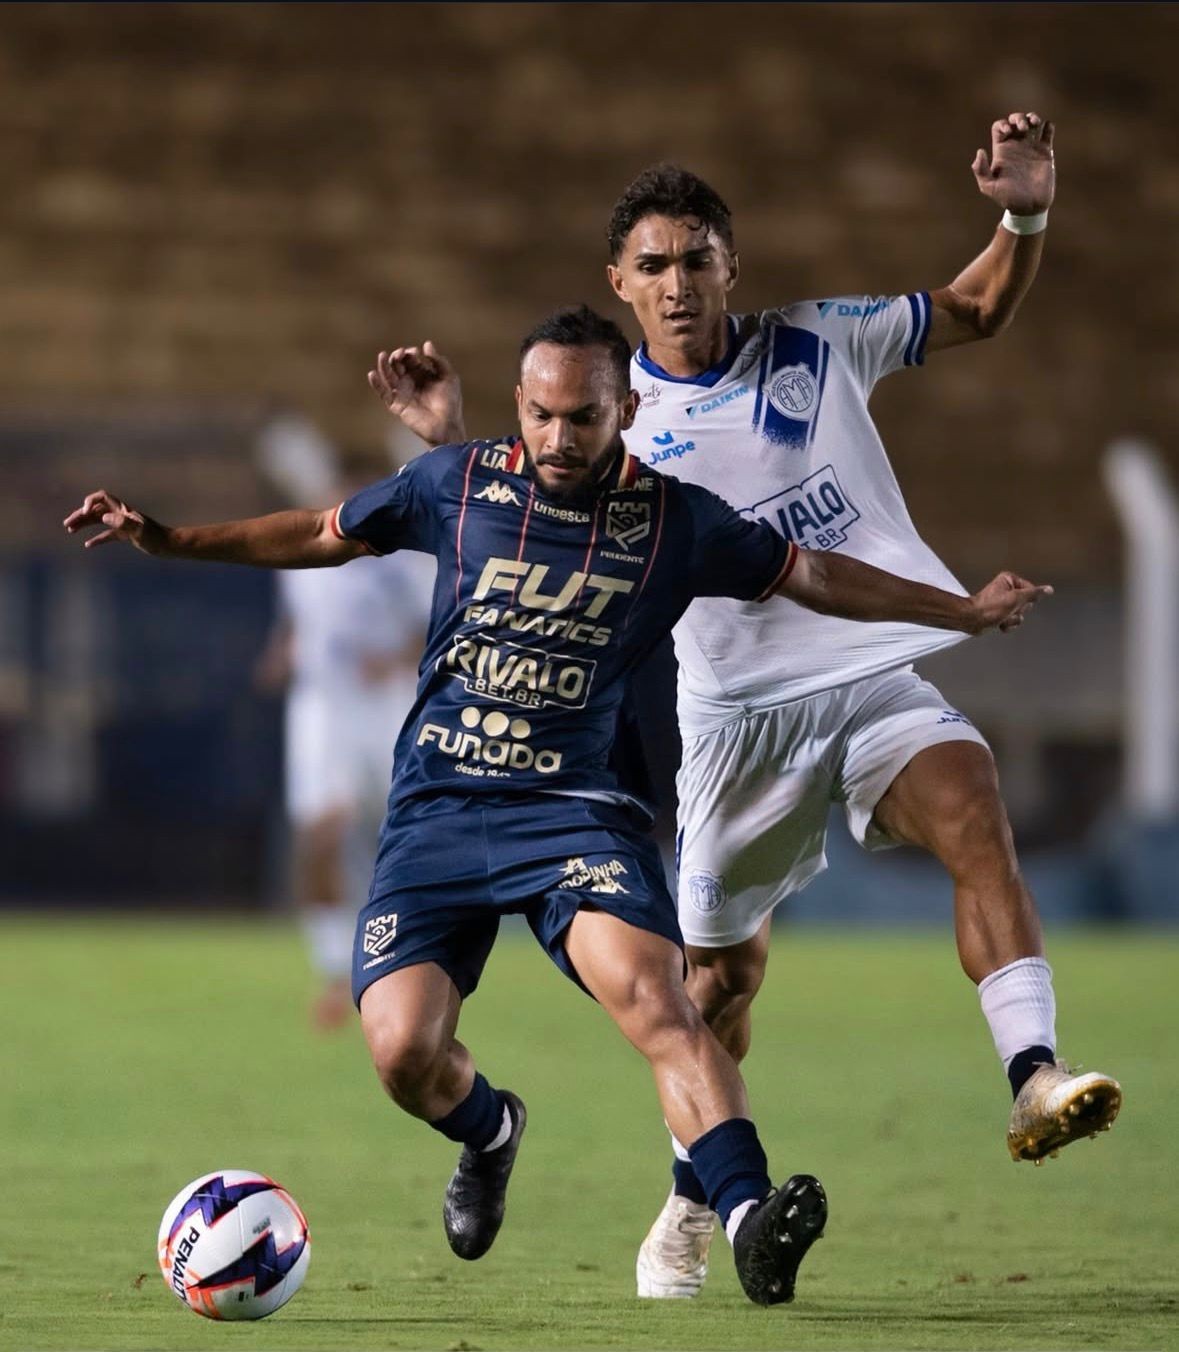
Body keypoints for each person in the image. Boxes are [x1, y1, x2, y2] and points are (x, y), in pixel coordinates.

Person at [66, 306, 1049, 1306]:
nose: (558, 437)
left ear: (627, 409)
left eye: (582, 418)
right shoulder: (457, 479)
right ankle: (491, 1131)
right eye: (539, 414)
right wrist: (168, 536)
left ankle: (750, 1218)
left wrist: (956, 607)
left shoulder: (677, 520)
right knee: (404, 1052)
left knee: (663, 1005)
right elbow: (324, 530)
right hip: (438, 811)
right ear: (519, 406)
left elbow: (814, 573)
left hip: (573, 813)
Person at [369, 111, 1122, 1303]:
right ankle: (688, 1195)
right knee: (716, 989)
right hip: (731, 723)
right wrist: (451, 437)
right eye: (653, 266)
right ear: (618, 283)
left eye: (698, 258)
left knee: (974, 801)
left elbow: (976, 307)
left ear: (736, 264)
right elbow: (527, 501)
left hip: (867, 672)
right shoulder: (619, 418)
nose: (678, 283)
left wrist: (1023, 212)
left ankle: (1032, 1072)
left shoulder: (823, 341)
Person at [255, 529, 432, 1029]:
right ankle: (335, 967)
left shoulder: (406, 558)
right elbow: (298, 619)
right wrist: (281, 652)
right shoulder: (299, 555)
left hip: (390, 706)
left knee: (403, 841)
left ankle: (409, 964)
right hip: (322, 708)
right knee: (319, 833)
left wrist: (397, 658)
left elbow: (436, 626)